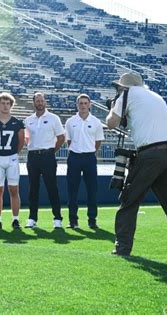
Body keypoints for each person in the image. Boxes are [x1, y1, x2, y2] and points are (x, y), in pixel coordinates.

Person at [106, 72, 167, 257]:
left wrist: (112, 107)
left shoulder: (126, 95)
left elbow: (112, 123)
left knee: (129, 200)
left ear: (124, 87)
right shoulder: (156, 96)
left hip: (150, 153)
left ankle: (122, 248)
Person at [24, 92, 65, 229]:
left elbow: (61, 138)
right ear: (33, 102)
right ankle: (32, 218)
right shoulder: (28, 120)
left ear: (45, 102)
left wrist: (52, 151)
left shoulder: (54, 118)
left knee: (52, 187)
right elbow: (26, 138)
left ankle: (57, 218)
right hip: (33, 156)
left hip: (48, 156)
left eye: (42, 100)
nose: (40, 103)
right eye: (37, 101)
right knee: (33, 189)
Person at [65, 94, 104, 229]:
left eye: (85, 103)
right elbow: (68, 141)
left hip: (89, 158)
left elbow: (98, 141)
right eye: (80, 103)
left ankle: (92, 220)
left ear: (90, 105)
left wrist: (89, 151)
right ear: (77, 105)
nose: (83, 105)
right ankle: (72, 220)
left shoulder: (96, 122)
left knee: (92, 190)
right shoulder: (70, 121)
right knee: (72, 191)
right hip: (74, 157)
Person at [0, 93, 24, 229]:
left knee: (14, 190)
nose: (5, 105)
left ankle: (15, 219)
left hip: (12, 157)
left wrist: (13, 154)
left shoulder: (17, 123)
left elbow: (21, 142)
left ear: (11, 105)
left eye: (8, 103)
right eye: (3, 103)